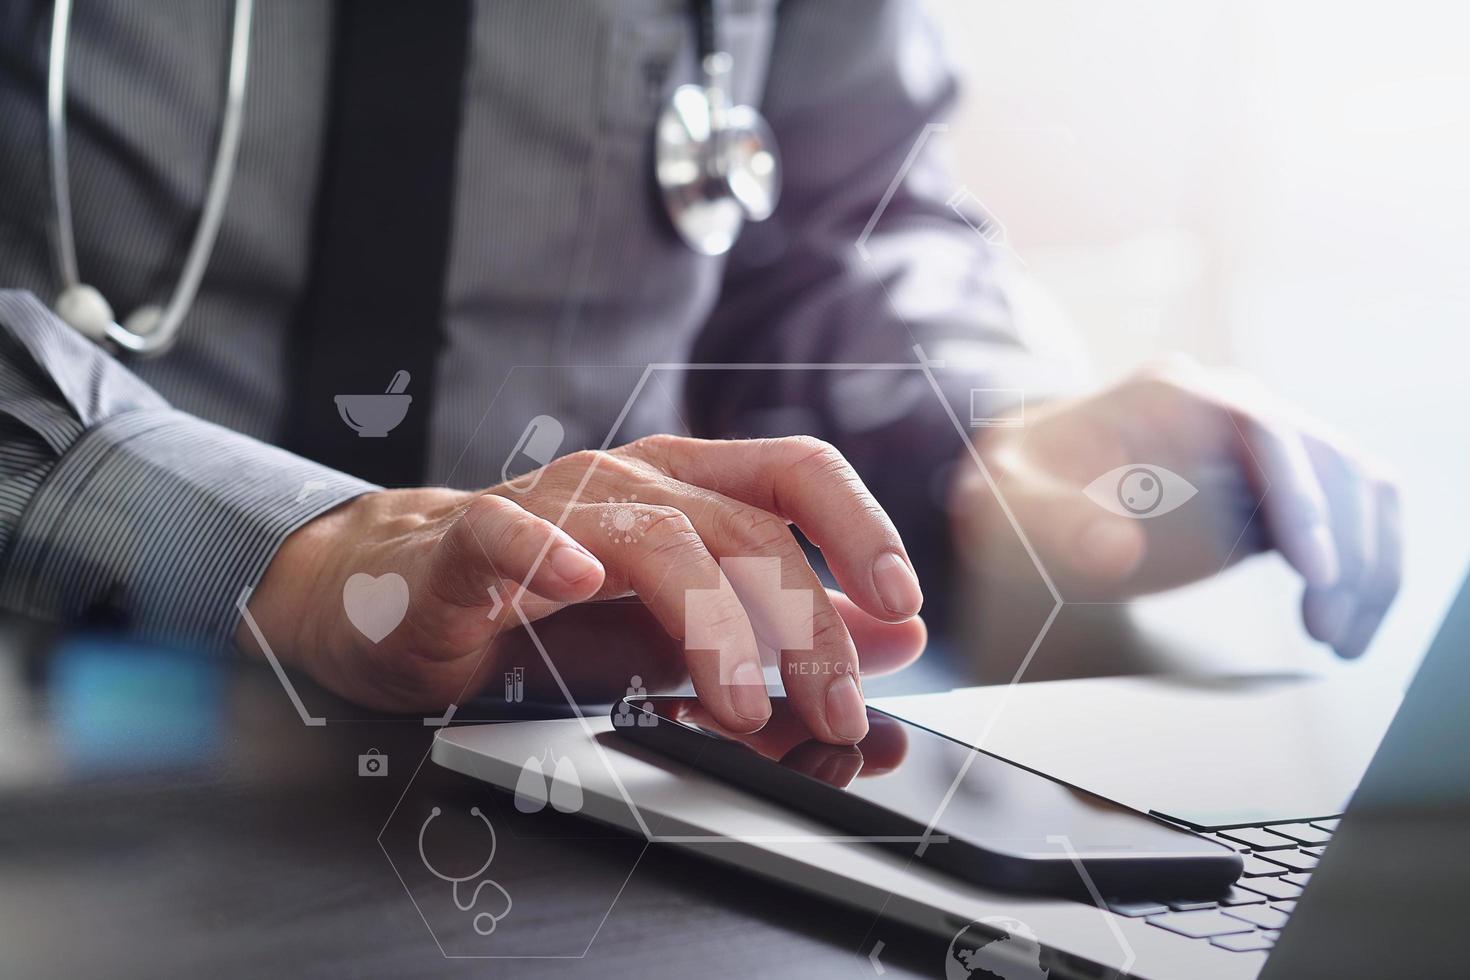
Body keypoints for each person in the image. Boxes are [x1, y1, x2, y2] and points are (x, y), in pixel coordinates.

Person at [0, 1, 1398, 746]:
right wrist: (293, 554)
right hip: (56, 770)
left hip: (583, 781)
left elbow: (828, 222)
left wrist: (989, 437)